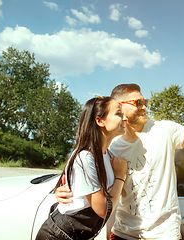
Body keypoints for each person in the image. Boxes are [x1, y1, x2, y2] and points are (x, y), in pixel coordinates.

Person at [56, 84, 184, 240]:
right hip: (122, 233)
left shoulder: (164, 130)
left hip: (163, 235)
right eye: (138, 103)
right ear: (120, 108)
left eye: (145, 102)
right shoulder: (111, 144)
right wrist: (62, 190)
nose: (144, 107)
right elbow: (88, 177)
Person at [36, 96, 128, 240]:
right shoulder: (85, 157)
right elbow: (103, 210)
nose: (124, 119)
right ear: (100, 121)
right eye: (118, 114)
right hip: (59, 235)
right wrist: (120, 177)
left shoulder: (106, 154)